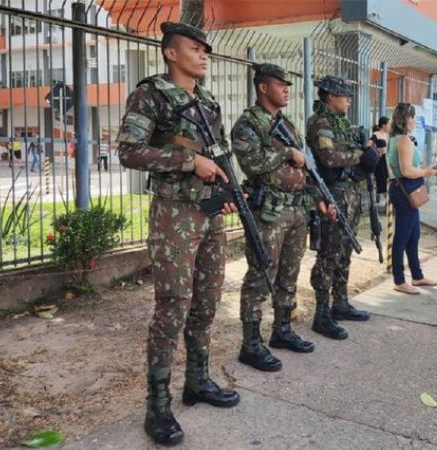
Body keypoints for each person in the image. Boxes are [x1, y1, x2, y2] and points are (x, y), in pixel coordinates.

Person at [116, 22, 240, 446]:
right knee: (173, 305)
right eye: (195, 48)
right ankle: (157, 405)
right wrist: (189, 163)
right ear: (171, 53)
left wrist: (226, 193)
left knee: (207, 301)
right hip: (174, 214)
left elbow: (220, 156)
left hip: (209, 215)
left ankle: (198, 380)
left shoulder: (207, 101)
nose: (204, 55)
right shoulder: (151, 93)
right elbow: (128, 151)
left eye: (207, 49)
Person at [231, 64, 336, 372]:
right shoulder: (247, 124)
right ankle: (251, 344)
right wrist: (287, 153)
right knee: (261, 276)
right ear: (263, 87)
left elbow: (306, 168)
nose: (287, 89)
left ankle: (282, 330)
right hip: (268, 212)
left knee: (289, 274)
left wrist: (320, 198)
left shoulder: (287, 123)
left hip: (295, 210)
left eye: (288, 85)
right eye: (280, 84)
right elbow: (251, 163)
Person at [307, 75, 380, 339]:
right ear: (329, 96)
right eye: (344, 95)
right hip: (333, 195)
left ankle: (340, 302)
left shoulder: (341, 123)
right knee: (329, 254)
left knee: (344, 252)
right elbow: (328, 158)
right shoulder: (321, 123)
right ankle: (322, 313)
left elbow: (349, 153)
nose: (349, 99)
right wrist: (360, 155)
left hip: (349, 193)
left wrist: (366, 152)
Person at [387, 103, 437, 294]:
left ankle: (417, 275)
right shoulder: (403, 140)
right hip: (405, 189)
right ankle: (399, 280)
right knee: (402, 236)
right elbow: (408, 171)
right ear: (406, 119)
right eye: (413, 116)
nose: (415, 120)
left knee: (413, 235)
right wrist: (426, 171)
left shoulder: (399, 138)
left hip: (403, 188)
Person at [372, 116, 390, 203]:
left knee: (386, 180)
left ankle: (387, 202)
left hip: (386, 160)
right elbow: (369, 146)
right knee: (381, 180)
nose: (389, 126)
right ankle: (388, 203)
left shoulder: (387, 135)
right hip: (379, 160)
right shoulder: (376, 134)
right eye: (388, 124)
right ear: (384, 125)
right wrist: (378, 152)